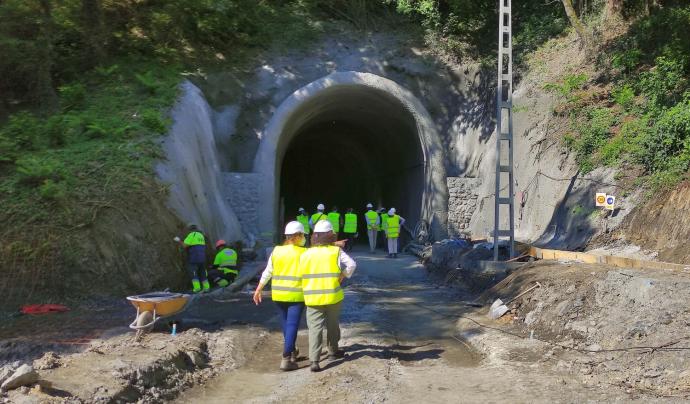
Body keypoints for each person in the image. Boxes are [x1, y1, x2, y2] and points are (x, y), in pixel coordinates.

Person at [299, 220, 356, 372]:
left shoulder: (306, 253)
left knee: (315, 328)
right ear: (331, 235)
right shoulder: (336, 252)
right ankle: (333, 351)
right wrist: (343, 275)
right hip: (333, 296)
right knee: (332, 324)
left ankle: (314, 361)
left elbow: (300, 273)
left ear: (314, 236)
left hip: (312, 298)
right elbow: (352, 264)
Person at [252, 221, 308, 371]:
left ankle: (292, 351)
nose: (304, 238)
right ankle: (286, 358)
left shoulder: (276, 251)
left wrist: (258, 289)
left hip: (278, 295)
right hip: (296, 295)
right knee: (292, 325)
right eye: (302, 235)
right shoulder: (303, 253)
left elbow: (268, 272)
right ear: (297, 236)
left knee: (286, 325)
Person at [174, 224, 209, 293]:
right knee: (202, 272)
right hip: (202, 258)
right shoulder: (201, 236)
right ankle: (207, 288)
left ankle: (197, 288)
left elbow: (185, 245)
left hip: (194, 257)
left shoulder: (192, 235)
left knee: (193, 271)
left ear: (190, 230)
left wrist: (179, 240)